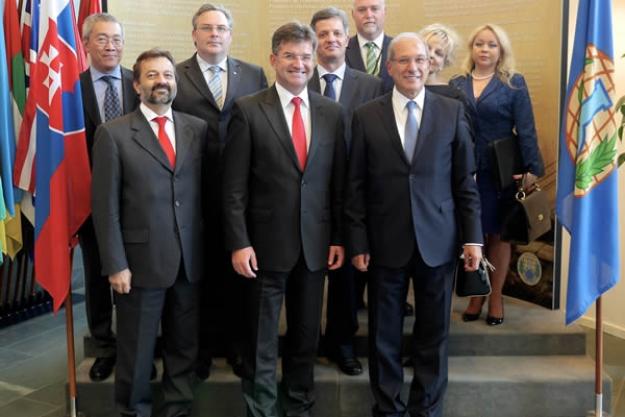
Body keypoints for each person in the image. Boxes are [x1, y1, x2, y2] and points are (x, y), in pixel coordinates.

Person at [346, 33, 483, 417]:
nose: (413, 68)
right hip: (384, 243)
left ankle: (427, 408)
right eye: (404, 61)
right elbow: (354, 187)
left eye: (419, 60)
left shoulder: (450, 111)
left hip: (438, 242)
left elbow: (464, 182)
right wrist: (357, 242)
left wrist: (474, 239)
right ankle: (388, 408)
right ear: (389, 68)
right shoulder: (365, 115)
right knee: (383, 336)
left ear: (430, 64)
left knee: (434, 334)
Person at [221, 22, 346, 417]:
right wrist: (239, 242)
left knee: (306, 336)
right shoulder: (248, 109)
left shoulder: (332, 112)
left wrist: (339, 237)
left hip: (314, 246)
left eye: (306, 57)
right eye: (290, 56)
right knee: (261, 338)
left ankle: (299, 406)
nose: (299, 63)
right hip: (263, 247)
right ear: (274, 60)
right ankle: (261, 409)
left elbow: (337, 184)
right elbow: (234, 187)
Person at [91, 48, 208, 417]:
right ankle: (133, 411)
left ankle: (178, 410)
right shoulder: (113, 134)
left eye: (168, 75)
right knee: (137, 351)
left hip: (188, 261)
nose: (162, 82)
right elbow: (105, 206)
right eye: (153, 75)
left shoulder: (196, 129)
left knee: (183, 347)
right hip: (138, 265)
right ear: (137, 84)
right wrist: (115, 264)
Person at [173, 2, 268, 380]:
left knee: (241, 278)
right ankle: (200, 351)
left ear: (230, 34)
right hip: (192, 193)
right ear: (194, 33)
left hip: (243, 194)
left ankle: (238, 347)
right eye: (207, 28)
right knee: (199, 276)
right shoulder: (175, 75)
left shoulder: (253, 73)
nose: (215, 34)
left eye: (221, 28)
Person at [450, 24, 544, 326]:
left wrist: (531, 170)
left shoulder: (513, 83)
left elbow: (526, 128)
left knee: (499, 237)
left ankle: (496, 297)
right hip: (465, 170)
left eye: (491, 45)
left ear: (500, 50)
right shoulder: (456, 83)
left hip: (500, 171)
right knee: (472, 234)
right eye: (479, 44)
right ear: (471, 48)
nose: (485, 49)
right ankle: (476, 294)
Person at [308, 6, 382, 377]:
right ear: (313, 40)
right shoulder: (297, 80)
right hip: (308, 196)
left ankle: (342, 343)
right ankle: (304, 343)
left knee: (347, 279)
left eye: (337, 33)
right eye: (323, 34)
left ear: (346, 37)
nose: (331, 40)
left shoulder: (370, 84)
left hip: (355, 195)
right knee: (306, 273)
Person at [78, 12, 140, 382]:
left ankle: (136, 346)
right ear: (85, 44)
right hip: (91, 202)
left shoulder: (140, 83)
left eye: (116, 38)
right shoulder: (70, 91)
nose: (111, 45)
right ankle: (104, 346)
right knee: (98, 276)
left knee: (138, 281)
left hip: (138, 203)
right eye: (101, 39)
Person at [346, 0, 393, 91]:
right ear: (353, 14)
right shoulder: (342, 50)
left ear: (384, 12)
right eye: (362, 10)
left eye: (374, 9)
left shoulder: (399, 49)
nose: (368, 15)